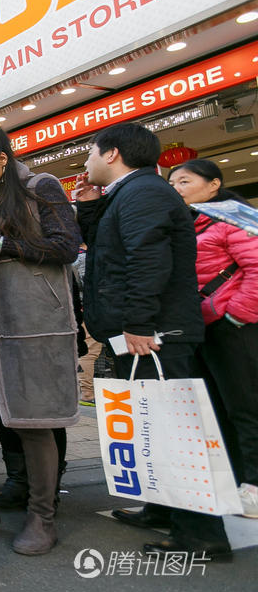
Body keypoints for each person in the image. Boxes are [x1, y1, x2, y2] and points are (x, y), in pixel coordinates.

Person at [73, 123, 228, 560]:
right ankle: (163, 509)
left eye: (90, 154)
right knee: (152, 429)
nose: (85, 163)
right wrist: (89, 207)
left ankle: (202, 534)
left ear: (112, 154)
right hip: (138, 335)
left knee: (174, 430)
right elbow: (111, 250)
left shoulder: (144, 193)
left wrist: (138, 323)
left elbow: (147, 259)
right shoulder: (130, 194)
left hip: (153, 336)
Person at [0, 118, 81, 555]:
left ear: (2, 160)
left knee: (31, 420)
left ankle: (42, 516)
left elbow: (66, 247)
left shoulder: (41, 186)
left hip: (30, 322)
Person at [168, 159, 258, 519]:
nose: (176, 188)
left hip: (233, 327)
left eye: (185, 181)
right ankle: (236, 481)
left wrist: (236, 314)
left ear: (214, 185)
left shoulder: (232, 221)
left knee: (246, 407)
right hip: (202, 326)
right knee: (220, 407)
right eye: (172, 182)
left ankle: (254, 486)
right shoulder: (191, 224)